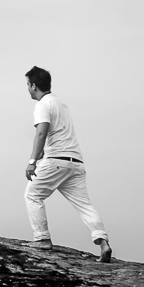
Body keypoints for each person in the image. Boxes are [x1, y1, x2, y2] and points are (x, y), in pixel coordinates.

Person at [23, 65, 112, 262]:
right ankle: (103, 242)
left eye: (28, 85)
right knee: (85, 205)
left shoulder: (42, 105)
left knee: (32, 195)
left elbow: (42, 132)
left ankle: (42, 239)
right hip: (76, 162)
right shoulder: (61, 103)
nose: (27, 89)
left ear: (34, 85)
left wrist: (32, 161)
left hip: (57, 160)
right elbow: (58, 131)